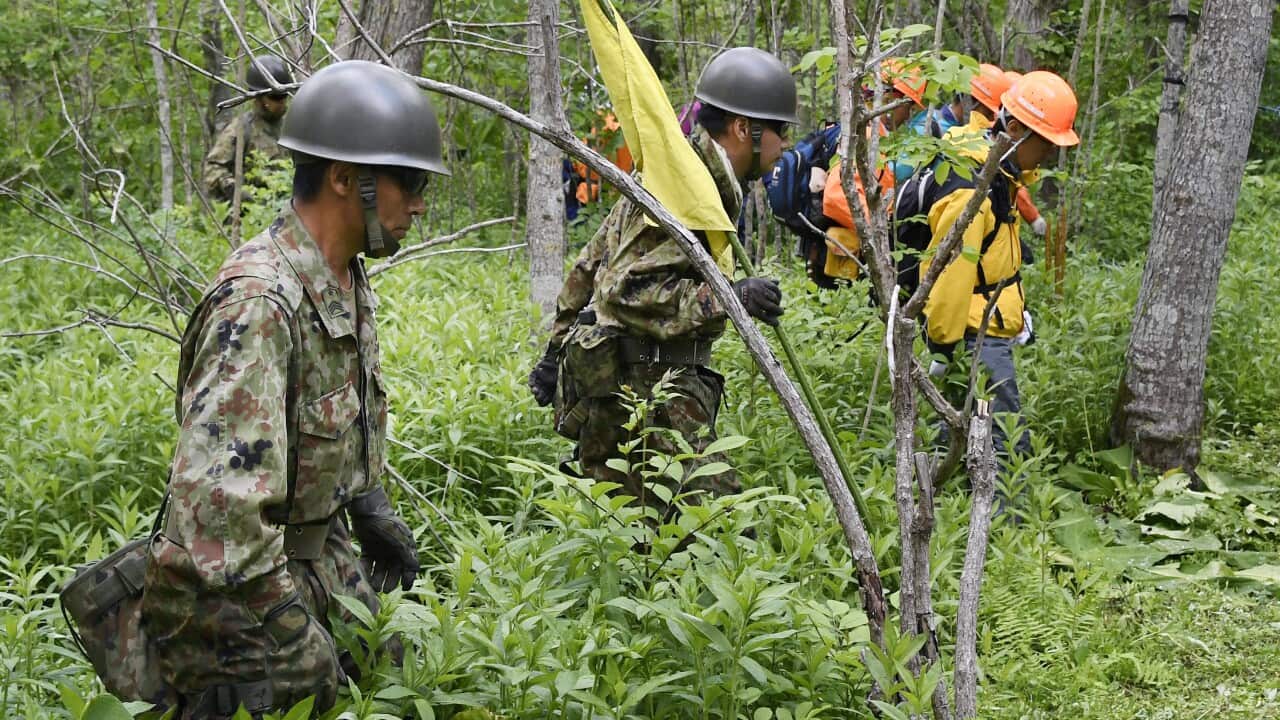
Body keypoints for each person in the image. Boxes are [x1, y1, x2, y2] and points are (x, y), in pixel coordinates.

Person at [142, 60, 448, 719]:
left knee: (394, 677)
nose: (420, 203)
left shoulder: (341, 274)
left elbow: (331, 418)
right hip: (234, 591)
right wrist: (292, 641)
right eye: (411, 183)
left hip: (313, 547)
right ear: (345, 180)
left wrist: (368, 503)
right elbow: (216, 527)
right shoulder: (259, 305)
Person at [529, 47, 796, 516]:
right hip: (649, 397)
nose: (786, 146)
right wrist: (730, 298)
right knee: (719, 536)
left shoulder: (677, 170)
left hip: (632, 396)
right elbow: (620, 288)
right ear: (743, 129)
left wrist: (554, 352)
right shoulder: (688, 188)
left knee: (633, 537)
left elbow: (590, 263)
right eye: (781, 131)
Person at [921, 70, 1080, 457]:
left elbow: (994, 264)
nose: (1047, 154)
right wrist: (942, 347)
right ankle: (1013, 518)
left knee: (954, 432)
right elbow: (949, 274)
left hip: (987, 326)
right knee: (1007, 441)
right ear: (1012, 128)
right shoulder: (973, 191)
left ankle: (941, 496)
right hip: (977, 334)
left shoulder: (1002, 177)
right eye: (1044, 144)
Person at [203, 55, 294, 203]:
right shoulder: (241, 129)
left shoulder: (293, 126)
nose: (282, 102)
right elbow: (213, 170)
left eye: (284, 96)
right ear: (259, 97)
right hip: (251, 215)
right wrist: (236, 192)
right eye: (275, 97)